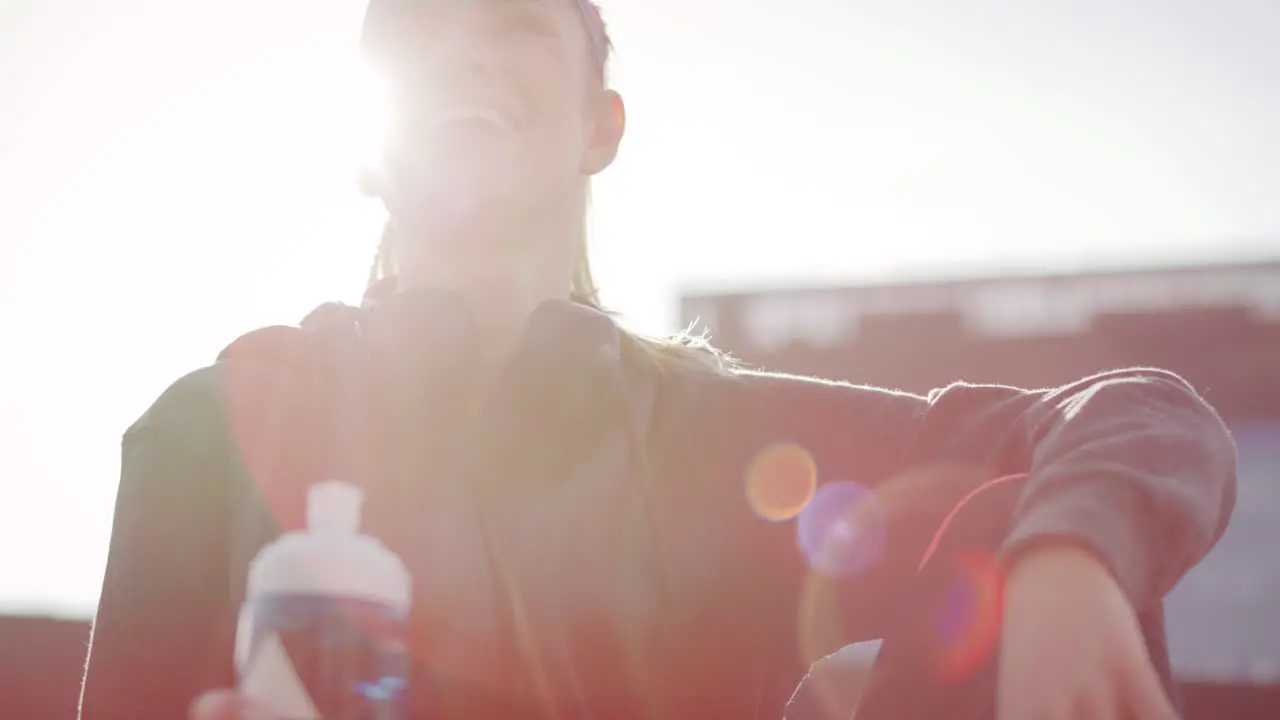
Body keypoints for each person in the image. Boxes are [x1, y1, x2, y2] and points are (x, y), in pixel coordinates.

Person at [78, 1, 1238, 719]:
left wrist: (1069, 559)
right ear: (365, 149)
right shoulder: (213, 423)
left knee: (1008, 530)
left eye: (512, 20)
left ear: (600, 128)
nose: (459, 49)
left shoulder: (718, 440)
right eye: (417, 21)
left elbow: (1135, 415)